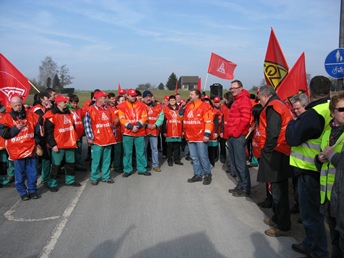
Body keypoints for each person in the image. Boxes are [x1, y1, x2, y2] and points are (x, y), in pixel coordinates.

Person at [286, 76, 331, 258]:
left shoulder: (314, 114)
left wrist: (292, 122)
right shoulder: (331, 108)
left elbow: (293, 137)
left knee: (311, 215)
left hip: (309, 170)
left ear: (310, 93)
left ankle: (317, 251)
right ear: (329, 91)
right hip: (325, 169)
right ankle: (309, 243)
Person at [255, 86, 294, 237]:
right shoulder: (277, 105)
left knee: (278, 190)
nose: (259, 101)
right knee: (276, 188)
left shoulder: (273, 106)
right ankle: (278, 217)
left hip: (276, 151)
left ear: (266, 96)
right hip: (279, 150)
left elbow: (273, 131)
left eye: (260, 98)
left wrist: (267, 150)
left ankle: (283, 226)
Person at [315, 91, 344, 257]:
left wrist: (332, 156)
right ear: (332, 112)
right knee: (334, 240)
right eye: (341, 109)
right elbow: (322, 167)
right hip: (328, 198)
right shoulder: (327, 134)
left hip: (341, 200)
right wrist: (319, 159)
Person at [0, 96, 40, 200]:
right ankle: (22, 192)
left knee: (32, 172)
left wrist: (37, 143)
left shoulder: (30, 115)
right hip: (16, 150)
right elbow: (4, 134)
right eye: (15, 105)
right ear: (11, 106)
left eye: (19, 105)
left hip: (30, 148)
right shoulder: (6, 118)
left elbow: (37, 130)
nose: (18, 107)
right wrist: (15, 128)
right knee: (20, 173)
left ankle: (32, 190)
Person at [44, 95, 82, 192]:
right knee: (56, 165)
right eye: (64, 102)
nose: (66, 103)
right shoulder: (51, 115)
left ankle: (70, 180)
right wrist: (53, 145)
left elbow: (72, 127)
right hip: (58, 145)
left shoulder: (68, 113)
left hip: (69, 143)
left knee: (70, 163)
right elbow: (48, 132)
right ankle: (52, 183)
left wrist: (75, 138)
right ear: (58, 102)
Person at [179, 89, 214, 185]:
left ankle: (207, 174)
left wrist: (207, 134)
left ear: (197, 96)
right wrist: (182, 108)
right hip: (190, 136)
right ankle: (197, 174)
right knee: (194, 157)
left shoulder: (205, 106)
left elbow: (209, 121)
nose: (189, 96)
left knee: (203, 157)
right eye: (189, 94)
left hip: (201, 136)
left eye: (192, 94)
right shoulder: (188, 106)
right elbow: (180, 117)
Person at [84, 91, 117, 185]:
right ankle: (94, 177)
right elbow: (87, 124)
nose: (105, 99)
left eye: (105, 97)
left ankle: (106, 176)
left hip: (108, 139)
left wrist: (113, 135)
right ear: (98, 98)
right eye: (103, 97)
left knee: (107, 159)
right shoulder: (90, 110)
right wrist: (90, 137)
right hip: (97, 140)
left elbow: (112, 124)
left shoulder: (108, 109)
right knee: (96, 160)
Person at [227, 80, 252, 197]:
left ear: (241, 88)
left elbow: (246, 119)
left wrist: (236, 133)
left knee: (240, 163)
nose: (233, 90)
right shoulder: (236, 100)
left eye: (235, 88)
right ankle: (240, 184)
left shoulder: (244, 100)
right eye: (231, 88)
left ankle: (245, 187)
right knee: (236, 163)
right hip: (233, 135)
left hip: (238, 136)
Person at [117, 88, 150, 177]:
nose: (133, 97)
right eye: (131, 96)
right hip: (128, 132)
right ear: (127, 96)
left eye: (135, 96)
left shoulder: (141, 105)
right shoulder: (122, 106)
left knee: (140, 152)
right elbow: (122, 119)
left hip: (139, 132)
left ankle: (142, 169)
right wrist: (131, 127)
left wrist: (138, 125)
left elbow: (144, 117)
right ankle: (127, 169)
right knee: (127, 152)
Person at [289, 93, 309, 215]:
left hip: (308, 165)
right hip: (297, 162)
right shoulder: (298, 119)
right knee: (296, 188)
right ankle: (299, 206)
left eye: (298, 108)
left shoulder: (309, 121)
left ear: (305, 106)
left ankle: (304, 212)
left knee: (306, 193)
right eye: (294, 109)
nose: (296, 111)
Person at [31, 92, 53, 186]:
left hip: (43, 136)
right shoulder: (37, 109)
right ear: (41, 99)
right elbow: (43, 118)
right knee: (44, 158)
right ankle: (44, 178)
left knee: (45, 158)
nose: (49, 99)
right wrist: (48, 108)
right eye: (47, 97)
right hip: (38, 137)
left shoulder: (42, 108)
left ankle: (45, 176)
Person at [142, 90, 164, 172]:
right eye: (146, 97)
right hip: (144, 131)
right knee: (143, 148)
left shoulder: (158, 107)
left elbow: (161, 117)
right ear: (143, 98)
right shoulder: (141, 106)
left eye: (150, 97)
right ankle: (144, 163)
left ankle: (155, 164)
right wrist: (146, 125)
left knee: (154, 148)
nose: (148, 98)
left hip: (154, 130)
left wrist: (156, 125)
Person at [67, 94, 86, 172]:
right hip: (71, 134)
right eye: (74, 103)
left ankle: (78, 165)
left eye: (76, 103)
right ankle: (70, 167)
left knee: (78, 150)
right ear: (70, 102)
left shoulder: (79, 109)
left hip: (79, 133)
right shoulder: (67, 110)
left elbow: (83, 118)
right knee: (71, 152)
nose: (75, 105)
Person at [163, 95, 183, 166]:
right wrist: (164, 131)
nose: (172, 102)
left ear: (175, 101)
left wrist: (183, 130)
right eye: (171, 100)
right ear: (169, 101)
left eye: (173, 100)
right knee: (170, 147)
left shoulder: (180, 108)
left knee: (177, 146)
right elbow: (163, 121)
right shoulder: (165, 109)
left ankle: (176, 159)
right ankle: (169, 160)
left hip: (178, 129)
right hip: (169, 130)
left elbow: (182, 120)